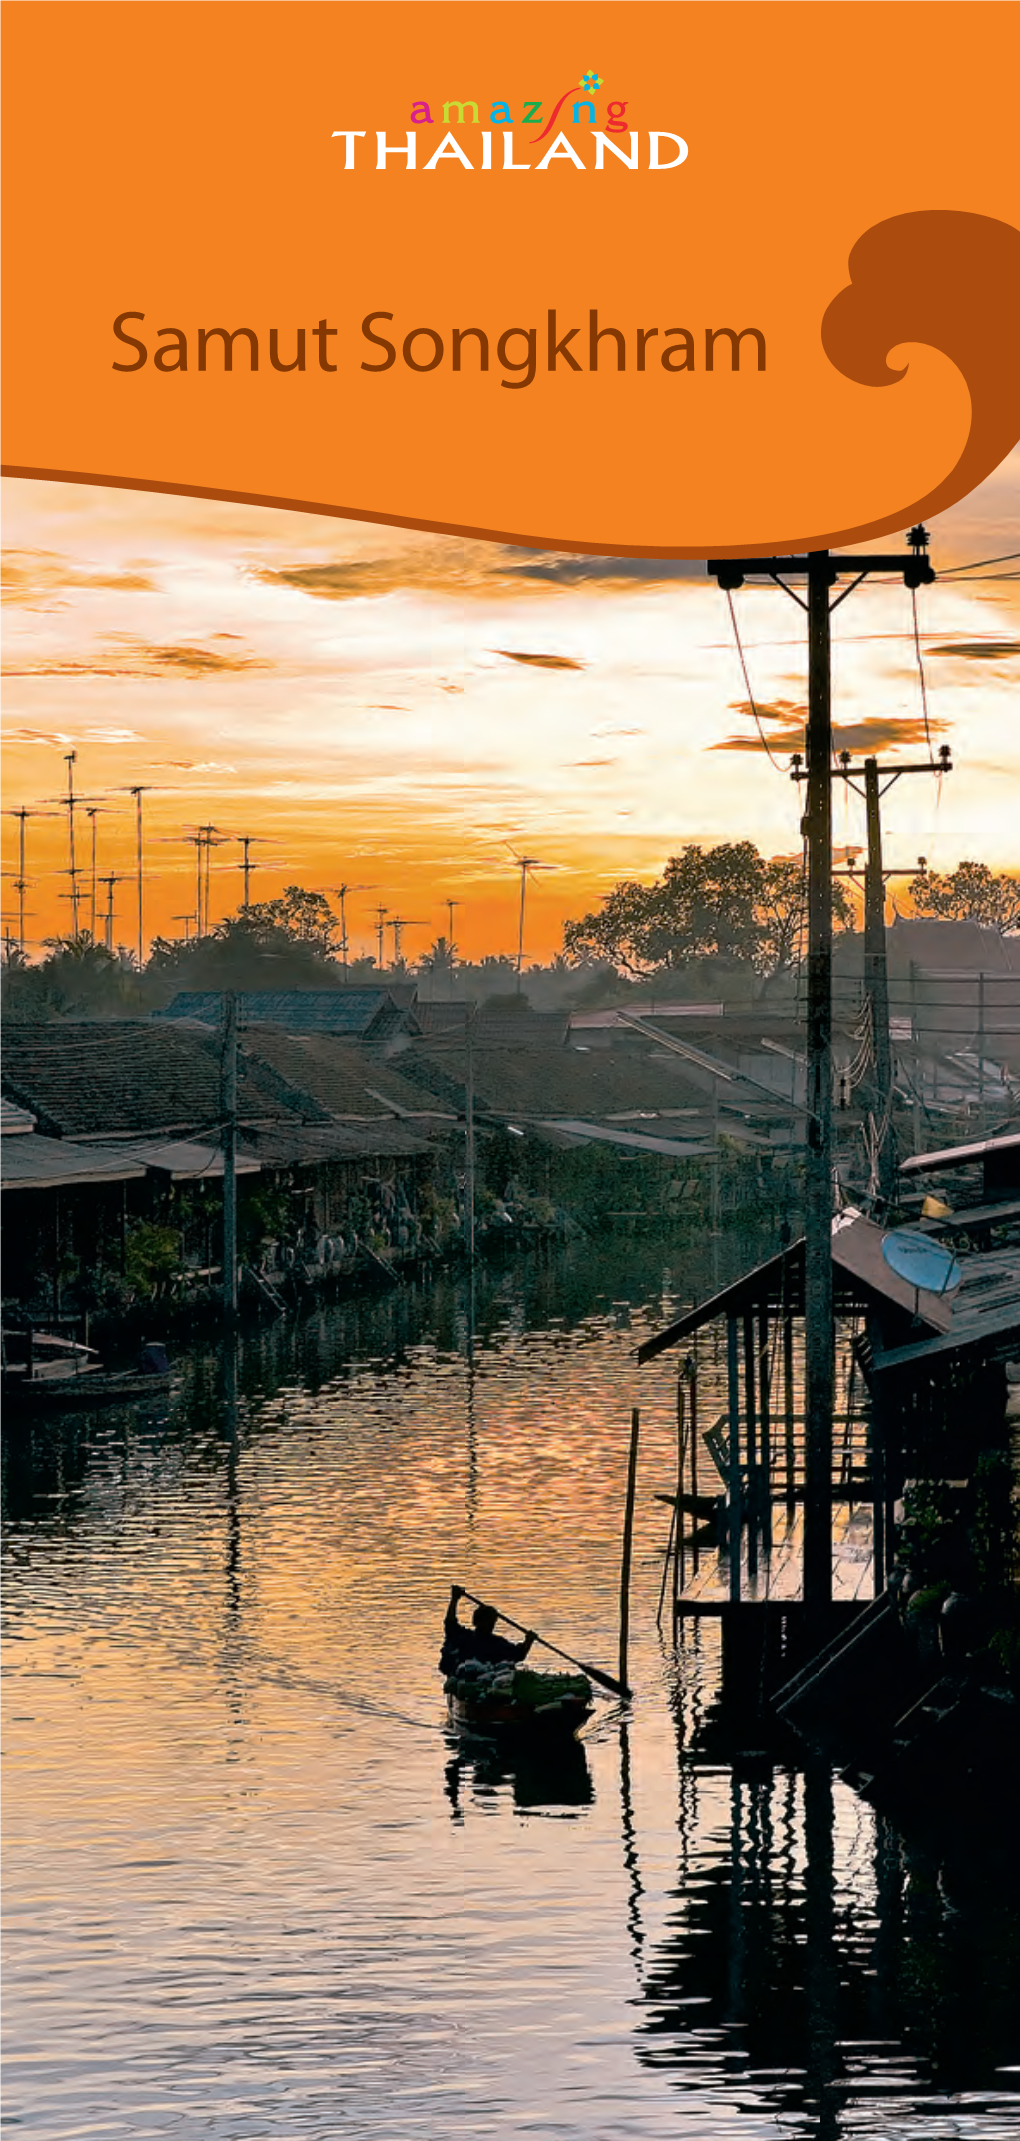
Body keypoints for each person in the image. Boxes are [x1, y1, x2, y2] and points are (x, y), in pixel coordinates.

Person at [440, 1586, 537, 1675]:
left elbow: (518, 1654)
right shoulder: (464, 1637)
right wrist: (454, 1599)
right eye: (486, 1622)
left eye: (491, 1622)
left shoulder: (497, 1644)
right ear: (476, 1622)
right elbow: (450, 1623)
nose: (489, 1625)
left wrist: (528, 1641)